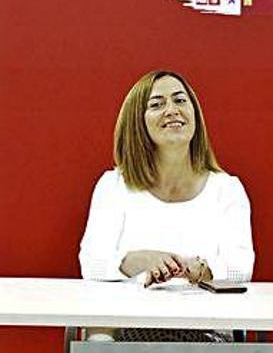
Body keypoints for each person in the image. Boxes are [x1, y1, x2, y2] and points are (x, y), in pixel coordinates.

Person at [79, 70, 254, 342]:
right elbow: (91, 264)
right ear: (137, 122)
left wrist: (200, 269)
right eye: (157, 104)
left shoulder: (227, 189)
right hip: (128, 329)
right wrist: (139, 260)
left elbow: (241, 268)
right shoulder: (113, 186)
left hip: (205, 332)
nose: (172, 110)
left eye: (180, 101)